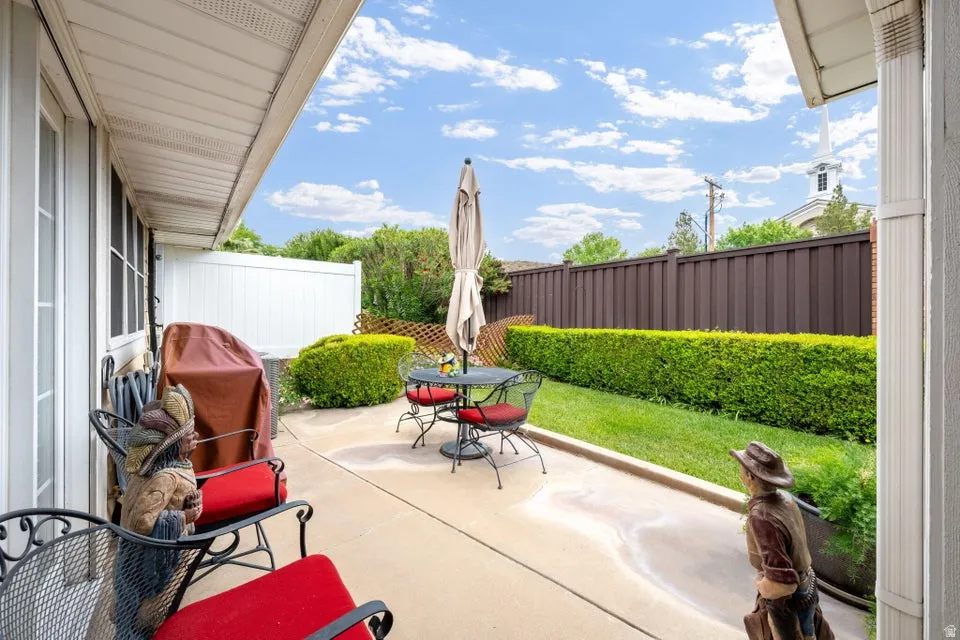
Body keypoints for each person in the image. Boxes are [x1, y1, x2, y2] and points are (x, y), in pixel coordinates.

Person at [730, 442, 834, 640]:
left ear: (751, 477)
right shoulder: (785, 499)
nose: (740, 473)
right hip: (807, 583)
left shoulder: (762, 516)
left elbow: (783, 583)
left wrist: (762, 585)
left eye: (741, 468)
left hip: (786, 601)